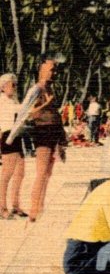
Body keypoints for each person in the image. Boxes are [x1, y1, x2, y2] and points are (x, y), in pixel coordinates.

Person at [5, 59, 68, 222]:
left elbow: (56, 114)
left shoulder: (50, 88)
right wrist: (11, 136)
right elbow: (27, 113)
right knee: (41, 173)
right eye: (51, 70)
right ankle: (34, 211)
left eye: (55, 70)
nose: (54, 73)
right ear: (41, 70)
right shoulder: (37, 89)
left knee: (48, 173)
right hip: (43, 132)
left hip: (53, 132)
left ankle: (40, 208)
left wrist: (62, 137)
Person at [1, 73, 49, 219]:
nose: (14, 87)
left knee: (20, 174)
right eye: (12, 84)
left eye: (15, 84)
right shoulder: (3, 101)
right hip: (7, 137)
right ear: (3, 87)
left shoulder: (11, 100)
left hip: (16, 137)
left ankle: (15, 205)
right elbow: (22, 110)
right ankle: (2, 208)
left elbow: (24, 112)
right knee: (6, 175)